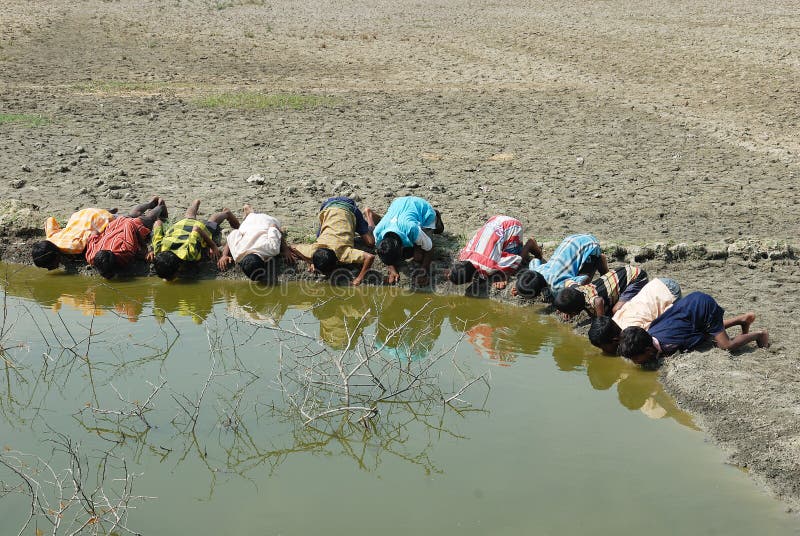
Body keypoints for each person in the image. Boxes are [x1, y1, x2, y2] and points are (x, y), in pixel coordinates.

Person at [617, 291, 770, 366]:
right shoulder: (650, 334)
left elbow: (695, 338)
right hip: (690, 307)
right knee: (711, 331)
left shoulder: (669, 343)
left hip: (702, 307)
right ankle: (742, 320)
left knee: (725, 344)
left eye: (635, 358)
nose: (635, 362)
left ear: (649, 350)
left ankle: (759, 334)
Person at [287, 196, 376, 286]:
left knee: (370, 242)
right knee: (319, 236)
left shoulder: (342, 253)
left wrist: (358, 279)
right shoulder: (313, 250)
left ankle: (369, 215)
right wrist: (310, 261)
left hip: (348, 207)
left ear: (337, 261)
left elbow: (370, 257)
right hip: (327, 206)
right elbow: (292, 247)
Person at [148, 199, 240, 281]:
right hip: (179, 227)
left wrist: (213, 246)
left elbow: (196, 229)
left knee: (211, 224)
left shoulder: (189, 253)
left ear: (178, 267)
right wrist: (152, 249)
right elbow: (158, 223)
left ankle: (226, 213)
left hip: (197, 229)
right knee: (189, 217)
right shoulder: (158, 250)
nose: (167, 280)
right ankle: (195, 203)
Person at [588, 277, 682, 355]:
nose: (604, 351)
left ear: (615, 340)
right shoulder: (615, 320)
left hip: (671, 291)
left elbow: (652, 338)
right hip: (656, 284)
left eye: (603, 348)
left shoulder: (633, 330)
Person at [447, 215, 543, 289]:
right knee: (496, 250)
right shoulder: (464, 255)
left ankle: (530, 244)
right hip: (496, 220)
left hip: (513, 226)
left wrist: (503, 275)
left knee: (518, 261)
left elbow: (514, 260)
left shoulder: (488, 266)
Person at [85, 197, 168, 279]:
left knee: (148, 219)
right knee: (131, 214)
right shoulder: (91, 256)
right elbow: (94, 233)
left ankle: (160, 206)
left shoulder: (125, 251)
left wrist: (145, 249)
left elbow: (130, 225)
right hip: (116, 225)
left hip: (129, 226)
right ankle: (150, 203)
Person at [373, 196, 444, 285]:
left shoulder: (411, 229)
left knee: (419, 256)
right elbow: (382, 253)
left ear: (402, 247)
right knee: (415, 251)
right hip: (398, 202)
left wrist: (424, 271)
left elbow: (430, 248)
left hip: (422, 209)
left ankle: (436, 215)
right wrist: (392, 269)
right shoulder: (377, 232)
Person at [512, 233, 607, 298]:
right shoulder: (537, 271)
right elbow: (535, 260)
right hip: (572, 240)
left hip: (590, 246)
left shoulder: (558, 286)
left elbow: (585, 279)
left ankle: (599, 260)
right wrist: (521, 287)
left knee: (583, 276)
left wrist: (572, 296)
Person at [217, 204, 287, 282]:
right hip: (249, 223)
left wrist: (286, 250)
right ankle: (249, 212)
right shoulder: (237, 254)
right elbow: (233, 234)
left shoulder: (272, 249)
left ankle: (249, 212)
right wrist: (224, 255)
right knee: (241, 228)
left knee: (279, 231)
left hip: (266, 220)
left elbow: (273, 226)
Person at [32, 207, 116, 269]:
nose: (49, 269)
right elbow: (50, 220)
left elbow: (92, 234)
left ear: (56, 255)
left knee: (109, 227)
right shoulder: (50, 238)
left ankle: (109, 214)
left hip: (96, 218)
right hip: (80, 215)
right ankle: (103, 211)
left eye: (49, 266)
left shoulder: (74, 247)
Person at [553, 265, 648, 319]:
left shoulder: (591, 300)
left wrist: (600, 320)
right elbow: (567, 282)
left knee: (616, 311)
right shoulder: (575, 288)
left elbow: (599, 301)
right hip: (623, 272)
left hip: (637, 277)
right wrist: (565, 307)